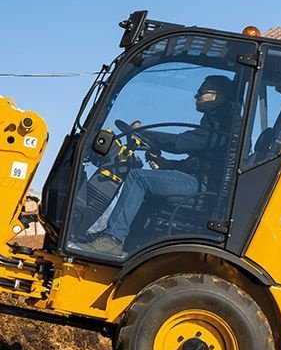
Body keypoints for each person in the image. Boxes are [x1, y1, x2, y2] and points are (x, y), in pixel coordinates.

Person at [89, 74, 236, 247]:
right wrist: (167, 164)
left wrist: (143, 132)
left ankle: (111, 239)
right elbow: (199, 162)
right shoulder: (219, 121)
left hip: (205, 189)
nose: (196, 96)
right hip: (203, 184)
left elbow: (179, 143)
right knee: (148, 185)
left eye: (202, 91)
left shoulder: (223, 123)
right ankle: (129, 243)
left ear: (219, 97)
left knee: (139, 178)